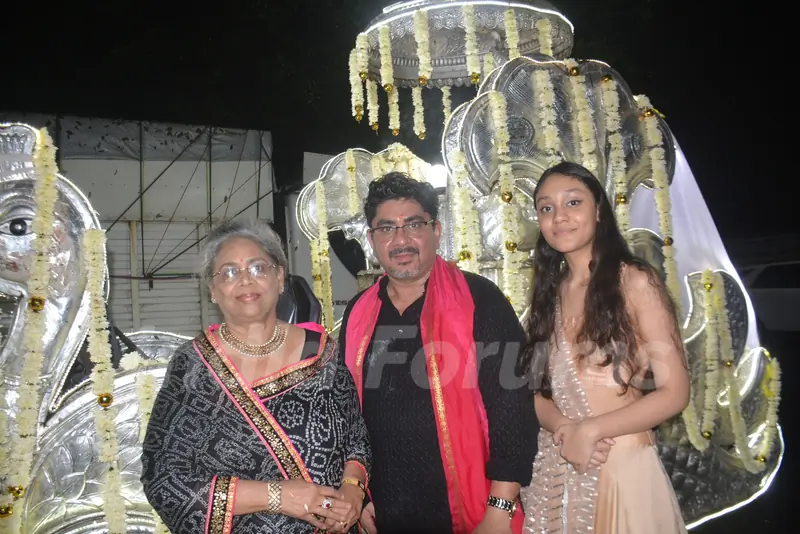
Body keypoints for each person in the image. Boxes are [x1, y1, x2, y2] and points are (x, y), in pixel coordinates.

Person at [339, 172, 539, 534]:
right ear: (372, 239)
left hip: (473, 511)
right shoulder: (358, 313)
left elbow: (513, 406)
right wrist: (362, 494)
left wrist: (500, 508)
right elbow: (348, 415)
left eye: (413, 224)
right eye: (386, 228)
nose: (401, 239)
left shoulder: (479, 300)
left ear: (437, 231)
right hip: (387, 512)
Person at [141, 219, 371, 534]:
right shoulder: (194, 365)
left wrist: (353, 489)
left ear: (279, 279)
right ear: (212, 289)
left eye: (258, 268)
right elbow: (165, 480)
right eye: (230, 272)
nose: (246, 280)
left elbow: (356, 436)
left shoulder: (322, 354)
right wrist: (277, 496)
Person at [518, 161, 689, 533]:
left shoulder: (634, 281)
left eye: (573, 203)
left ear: (599, 210)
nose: (559, 217)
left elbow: (675, 392)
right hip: (560, 467)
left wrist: (592, 430)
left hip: (622, 468)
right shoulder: (550, 293)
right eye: (546, 208)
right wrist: (566, 429)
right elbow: (536, 390)